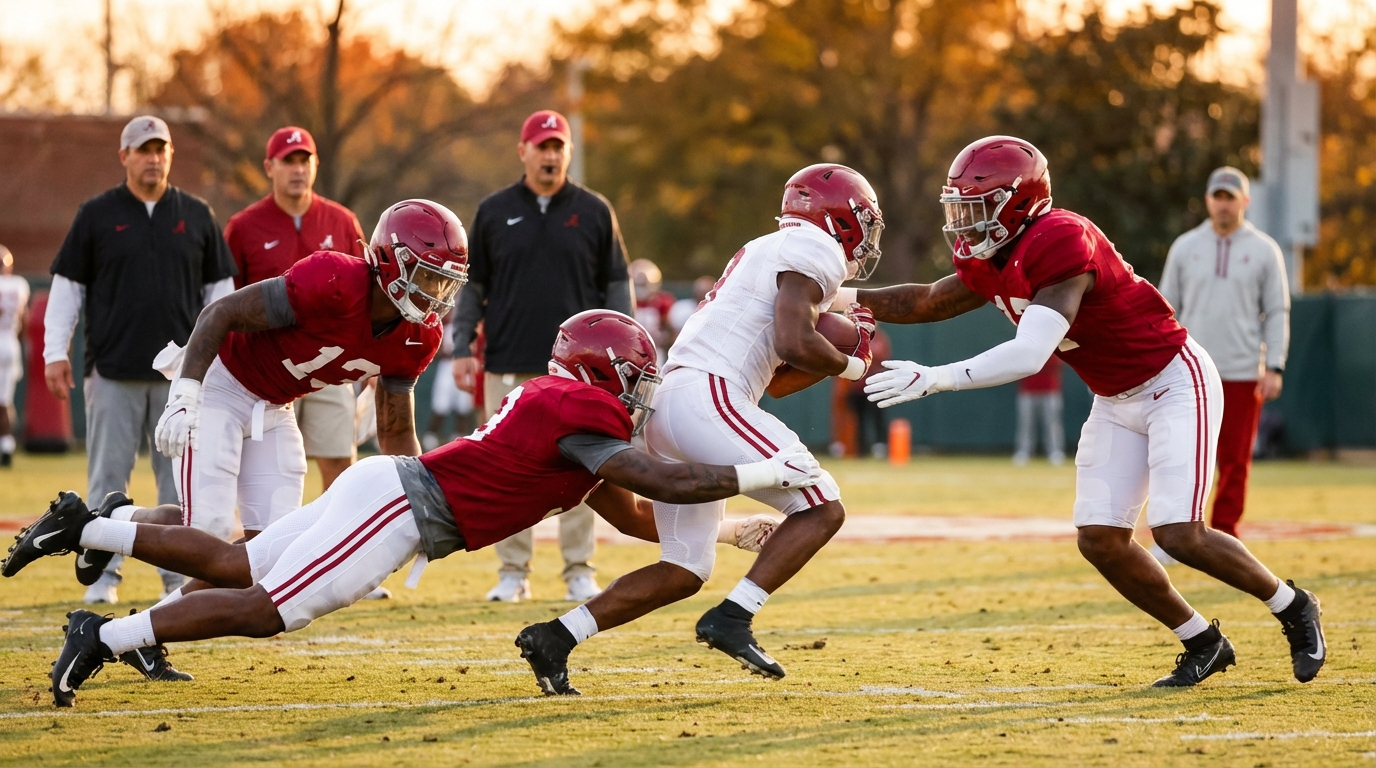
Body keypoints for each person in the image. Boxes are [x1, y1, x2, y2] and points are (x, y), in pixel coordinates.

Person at [3, 310, 807, 707]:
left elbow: (632, 515)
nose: (640, 395)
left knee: (234, 561)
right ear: (604, 374)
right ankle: (104, 636)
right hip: (400, 511)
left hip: (389, 490)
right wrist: (762, 469)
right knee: (266, 608)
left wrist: (735, 528)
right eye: (635, 379)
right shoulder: (580, 416)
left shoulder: (572, 425)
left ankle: (87, 526)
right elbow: (665, 483)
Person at [858, 135, 1325, 688]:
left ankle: (1293, 605)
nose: (964, 221)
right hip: (1116, 397)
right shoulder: (991, 253)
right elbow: (929, 300)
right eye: (960, 206)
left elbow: (1030, 354)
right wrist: (838, 297)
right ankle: (1202, 641)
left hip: (1174, 381)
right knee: (1100, 538)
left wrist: (936, 377)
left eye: (977, 206)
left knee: (1179, 533)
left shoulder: (1060, 238)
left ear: (1018, 203)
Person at [514, 164, 882, 695]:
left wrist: (842, 345)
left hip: (673, 402)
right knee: (823, 506)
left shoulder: (769, 251)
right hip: (710, 396)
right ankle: (734, 616)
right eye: (862, 222)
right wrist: (854, 364)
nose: (864, 237)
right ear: (839, 217)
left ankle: (556, 636)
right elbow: (795, 343)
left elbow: (780, 381)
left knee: (684, 567)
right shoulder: (814, 247)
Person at [147, 199, 459, 576]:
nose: (435, 293)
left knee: (274, 550)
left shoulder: (420, 336)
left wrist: (415, 500)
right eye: (428, 276)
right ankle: (108, 532)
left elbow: (396, 431)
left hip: (275, 406)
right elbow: (220, 312)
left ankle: (120, 527)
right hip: (221, 385)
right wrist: (187, 392)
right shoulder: (334, 280)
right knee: (207, 527)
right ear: (391, 261)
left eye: (445, 282)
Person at [43, 116, 238, 604]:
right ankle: (103, 576)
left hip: (182, 377)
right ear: (124, 156)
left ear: (170, 154)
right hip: (113, 369)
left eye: (160, 149)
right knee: (107, 481)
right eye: (143, 149)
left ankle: (178, 580)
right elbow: (67, 288)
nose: (153, 158)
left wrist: (219, 358)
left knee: (180, 488)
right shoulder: (96, 214)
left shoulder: (196, 214)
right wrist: (54, 352)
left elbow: (221, 294)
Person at [450, 109, 634, 603]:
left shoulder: (595, 210)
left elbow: (617, 283)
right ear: (523, 151)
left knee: (584, 470)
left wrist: (625, 348)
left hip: (581, 370)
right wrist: (462, 345)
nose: (550, 155)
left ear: (567, 152)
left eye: (558, 147)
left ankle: (579, 570)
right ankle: (512, 571)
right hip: (508, 359)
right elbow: (473, 285)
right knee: (505, 470)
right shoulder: (494, 210)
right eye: (542, 146)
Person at [223, 126, 368, 493]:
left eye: (305, 160)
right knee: (268, 471)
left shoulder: (341, 221)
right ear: (269, 167)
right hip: (267, 367)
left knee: (340, 464)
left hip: (330, 363)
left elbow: (366, 297)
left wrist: (369, 366)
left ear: (315, 164)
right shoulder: (243, 227)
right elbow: (225, 301)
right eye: (289, 161)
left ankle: (338, 532)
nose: (298, 169)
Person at [1159, 167, 1288, 539]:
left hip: (1242, 370)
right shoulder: (1185, 247)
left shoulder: (1264, 250)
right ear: (1207, 200)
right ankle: (1176, 532)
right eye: (1218, 197)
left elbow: (1277, 311)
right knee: (1183, 456)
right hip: (1190, 372)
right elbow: (1165, 308)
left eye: (1230, 198)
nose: (1223, 204)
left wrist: (1275, 365)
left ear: (1245, 200)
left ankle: (1226, 536)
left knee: (1235, 460)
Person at [421, 311, 477, 452]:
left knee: (463, 407)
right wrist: (448, 352)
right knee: (441, 405)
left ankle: (458, 439)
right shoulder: (446, 327)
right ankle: (430, 438)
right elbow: (436, 351)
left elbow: (476, 350)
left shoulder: (471, 330)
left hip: (466, 369)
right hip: (446, 367)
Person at [0, 245, 29, 467]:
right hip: (10, 343)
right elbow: (23, 319)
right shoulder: (19, 285)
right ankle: (7, 445)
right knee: (5, 401)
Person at [1012, 356, 1065, 466]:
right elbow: (1020, 364)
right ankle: (1023, 452)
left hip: (1050, 389)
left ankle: (1055, 452)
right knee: (1026, 423)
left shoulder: (1052, 346)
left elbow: (1056, 363)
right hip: (1027, 389)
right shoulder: (1025, 346)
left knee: (1052, 423)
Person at [630, 258, 676, 365]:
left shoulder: (660, 302)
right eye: (638, 284)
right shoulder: (628, 302)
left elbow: (669, 330)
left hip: (655, 349)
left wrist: (664, 338)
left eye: (643, 284)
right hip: (631, 349)